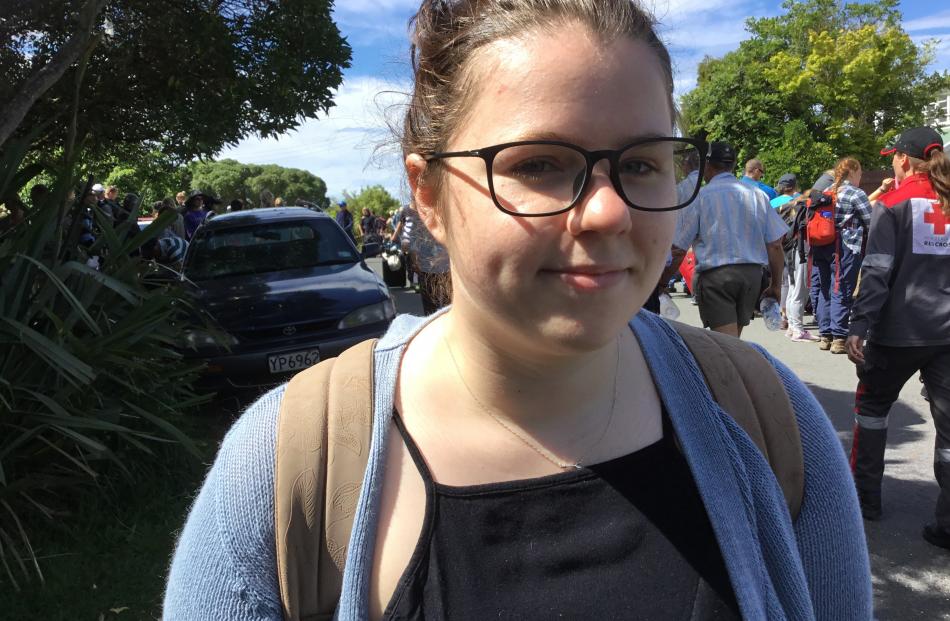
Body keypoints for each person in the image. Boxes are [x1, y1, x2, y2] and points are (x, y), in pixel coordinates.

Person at [164, 1, 871, 619]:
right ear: (430, 194)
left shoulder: (770, 419)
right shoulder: (283, 469)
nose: (606, 211)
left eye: (644, 163)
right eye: (538, 163)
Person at [844, 127, 950, 551]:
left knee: (871, 410)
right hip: (947, 335)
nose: (890, 162)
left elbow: (877, 272)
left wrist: (858, 326)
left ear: (904, 160)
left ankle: (866, 499)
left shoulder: (891, 205)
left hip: (896, 334)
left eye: (892, 157)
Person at [672, 141, 788, 337]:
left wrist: (662, 283)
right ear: (733, 165)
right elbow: (775, 244)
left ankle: (731, 368)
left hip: (717, 277)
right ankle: (733, 366)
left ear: (707, 166)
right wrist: (776, 285)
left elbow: (679, 248)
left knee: (726, 344)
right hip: (751, 276)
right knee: (733, 339)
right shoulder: (758, 195)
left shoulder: (701, 196)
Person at [810, 157, 872, 354]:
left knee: (825, 288)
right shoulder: (855, 193)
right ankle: (839, 337)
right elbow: (871, 221)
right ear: (853, 171)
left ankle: (825, 334)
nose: (860, 177)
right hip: (844, 247)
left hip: (821, 245)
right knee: (842, 289)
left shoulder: (826, 192)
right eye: (860, 173)